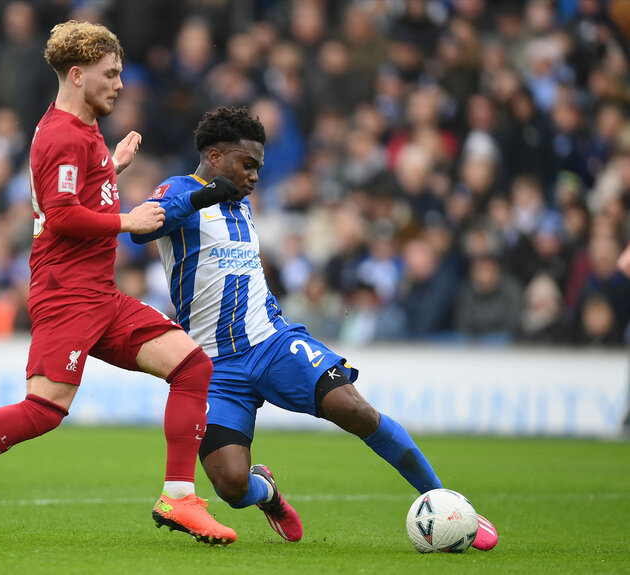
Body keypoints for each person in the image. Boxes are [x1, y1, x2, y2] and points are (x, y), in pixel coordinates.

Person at [0, 21, 236, 546]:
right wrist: (129, 219)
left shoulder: (84, 128)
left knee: (191, 366)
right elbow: (61, 217)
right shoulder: (62, 134)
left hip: (100, 293)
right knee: (43, 411)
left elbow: (75, 197)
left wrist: (109, 170)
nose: (120, 84)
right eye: (111, 74)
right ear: (77, 75)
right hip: (66, 294)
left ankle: (180, 497)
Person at [131, 106, 498, 550]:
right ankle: (266, 490)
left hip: (272, 344)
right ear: (214, 155)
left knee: (357, 410)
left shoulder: (240, 204)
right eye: (247, 165)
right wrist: (202, 195)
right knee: (231, 486)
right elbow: (142, 228)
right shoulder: (181, 190)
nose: (253, 177)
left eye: (259, 169)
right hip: (215, 367)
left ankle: (450, 506)